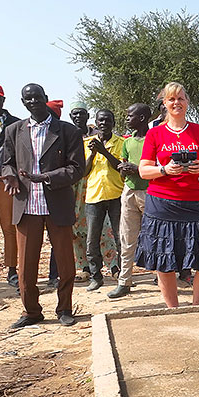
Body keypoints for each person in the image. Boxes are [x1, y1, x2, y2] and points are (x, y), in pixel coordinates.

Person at [1, 83, 85, 328]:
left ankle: (65, 308)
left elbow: (77, 168)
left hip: (56, 203)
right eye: (28, 99)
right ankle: (32, 312)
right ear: (23, 102)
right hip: (26, 206)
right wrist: (11, 175)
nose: (33, 101)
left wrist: (47, 177)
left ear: (46, 99)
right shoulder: (14, 130)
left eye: (37, 97)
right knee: (26, 266)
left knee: (65, 262)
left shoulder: (67, 131)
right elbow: (7, 163)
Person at [136, 82, 199, 308]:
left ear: (187, 102)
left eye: (181, 99)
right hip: (161, 203)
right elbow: (144, 170)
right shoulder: (155, 133)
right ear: (164, 103)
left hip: (193, 203)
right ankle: (172, 310)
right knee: (165, 261)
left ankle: (197, 307)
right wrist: (165, 169)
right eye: (171, 99)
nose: (177, 103)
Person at [69, 102, 118, 284]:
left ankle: (113, 266)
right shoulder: (69, 135)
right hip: (74, 186)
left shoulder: (95, 136)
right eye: (75, 114)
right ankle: (85, 268)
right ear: (70, 115)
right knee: (76, 229)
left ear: (88, 116)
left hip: (93, 186)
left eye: (82, 113)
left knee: (103, 229)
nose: (78, 117)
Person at [107, 103, 151, 298]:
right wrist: (123, 168)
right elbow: (121, 165)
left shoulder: (154, 139)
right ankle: (124, 281)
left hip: (151, 192)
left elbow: (159, 168)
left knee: (155, 237)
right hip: (130, 191)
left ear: (141, 118)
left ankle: (163, 277)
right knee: (126, 237)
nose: (126, 119)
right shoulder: (127, 142)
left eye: (130, 116)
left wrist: (138, 169)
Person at [83, 109, 125, 291]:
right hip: (94, 195)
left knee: (120, 237)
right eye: (100, 120)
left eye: (108, 120)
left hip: (116, 194)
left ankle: (123, 275)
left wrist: (104, 152)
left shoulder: (121, 142)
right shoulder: (86, 143)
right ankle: (96, 275)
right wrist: (93, 153)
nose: (103, 123)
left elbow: (120, 168)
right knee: (92, 238)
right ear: (96, 122)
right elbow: (83, 172)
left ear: (113, 123)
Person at [0, 83, 20, 288]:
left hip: (2, 180)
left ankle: (11, 270)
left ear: (3, 100)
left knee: (9, 227)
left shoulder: (14, 124)